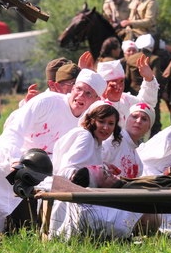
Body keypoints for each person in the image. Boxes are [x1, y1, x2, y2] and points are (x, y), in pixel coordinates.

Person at [0, 69, 107, 234]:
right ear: (72, 88)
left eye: (88, 93)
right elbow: (14, 131)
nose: (80, 96)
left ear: (96, 99)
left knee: (31, 225)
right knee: (5, 221)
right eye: (78, 89)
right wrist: (14, 160)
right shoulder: (47, 102)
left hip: (44, 171)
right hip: (12, 161)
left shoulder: (86, 121)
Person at [49, 101, 143, 240]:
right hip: (70, 200)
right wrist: (97, 173)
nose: (106, 127)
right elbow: (67, 171)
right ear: (92, 120)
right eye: (101, 121)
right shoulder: (85, 137)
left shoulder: (96, 141)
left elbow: (85, 164)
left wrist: (103, 167)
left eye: (111, 123)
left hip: (81, 197)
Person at [96, 57, 159, 128]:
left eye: (121, 81)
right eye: (113, 82)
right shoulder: (93, 101)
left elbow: (146, 105)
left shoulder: (126, 99)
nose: (118, 85)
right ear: (102, 83)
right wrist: (113, 101)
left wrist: (149, 79)